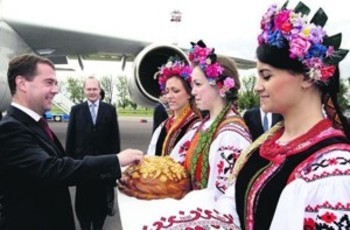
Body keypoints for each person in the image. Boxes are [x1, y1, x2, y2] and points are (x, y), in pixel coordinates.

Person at [216, 2, 350, 229]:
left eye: (266, 76)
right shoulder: (266, 144)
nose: (257, 87)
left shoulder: (333, 170)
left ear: (307, 78)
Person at [0, 54, 143, 230]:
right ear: (21, 83)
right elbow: (53, 169)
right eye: (48, 82)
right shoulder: (10, 129)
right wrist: (115, 160)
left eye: (55, 83)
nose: (55, 90)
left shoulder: (33, 124)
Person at [170, 40, 252, 199]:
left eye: (198, 84)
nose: (193, 92)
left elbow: (221, 196)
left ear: (220, 87)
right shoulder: (203, 125)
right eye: (192, 85)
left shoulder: (230, 136)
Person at [65, 76, 120, 230]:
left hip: (102, 169)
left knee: (100, 206)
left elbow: (114, 141)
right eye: (88, 89)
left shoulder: (110, 110)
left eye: (94, 89)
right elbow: (70, 139)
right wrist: (70, 165)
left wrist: (114, 167)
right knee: (82, 205)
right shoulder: (76, 110)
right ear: (84, 90)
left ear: (99, 90)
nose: (92, 92)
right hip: (83, 167)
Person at [147, 58, 200, 156]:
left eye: (175, 91)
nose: (169, 96)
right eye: (167, 92)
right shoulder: (163, 126)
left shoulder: (197, 126)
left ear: (189, 93)